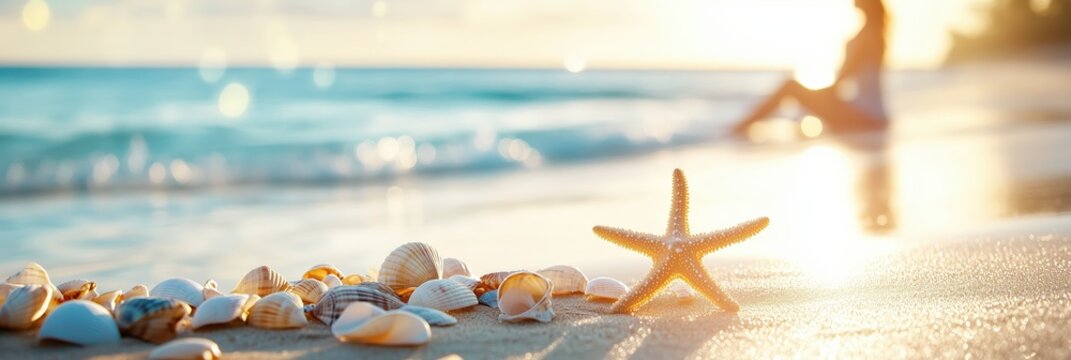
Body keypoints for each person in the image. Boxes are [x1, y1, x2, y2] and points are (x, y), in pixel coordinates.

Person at [733, 0, 890, 136]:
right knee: (795, 90)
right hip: (869, 113)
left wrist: (820, 96)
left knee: (791, 87)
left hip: (865, 116)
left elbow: (845, 76)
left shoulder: (868, 35)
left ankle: (740, 127)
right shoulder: (875, 32)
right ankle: (743, 125)